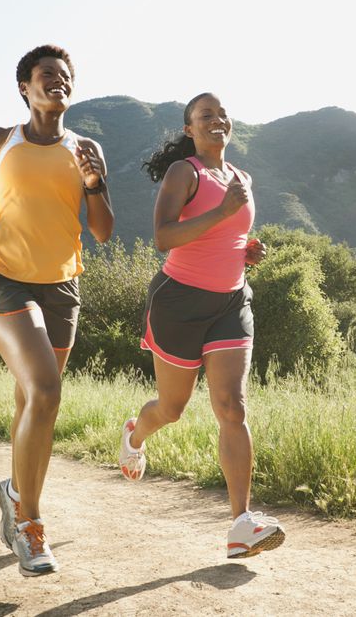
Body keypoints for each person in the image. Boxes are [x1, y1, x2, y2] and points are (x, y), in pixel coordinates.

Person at [0, 44, 114, 576]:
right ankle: (29, 524)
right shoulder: (1, 141)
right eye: (47, 75)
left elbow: (103, 230)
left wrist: (97, 183)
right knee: (46, 391)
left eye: (65, 76)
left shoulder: (86, 148)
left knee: (32, 403)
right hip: (6, 279)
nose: (58, 81)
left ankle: (13, 492)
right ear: (25, 87)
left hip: (62, 286)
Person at [121, 92, 284, 559]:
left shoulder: (241, 177)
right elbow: (163, 237)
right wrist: (222, 213)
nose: (217, 120)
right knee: (171, 409)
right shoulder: (184, 172)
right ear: (190, 129)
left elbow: (227, 235)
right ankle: (135, 434)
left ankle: (241, 524)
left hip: (232, 301)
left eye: (222, 114)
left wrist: (247, 250)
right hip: (178, 302)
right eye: (205, 115)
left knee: (232, 407)